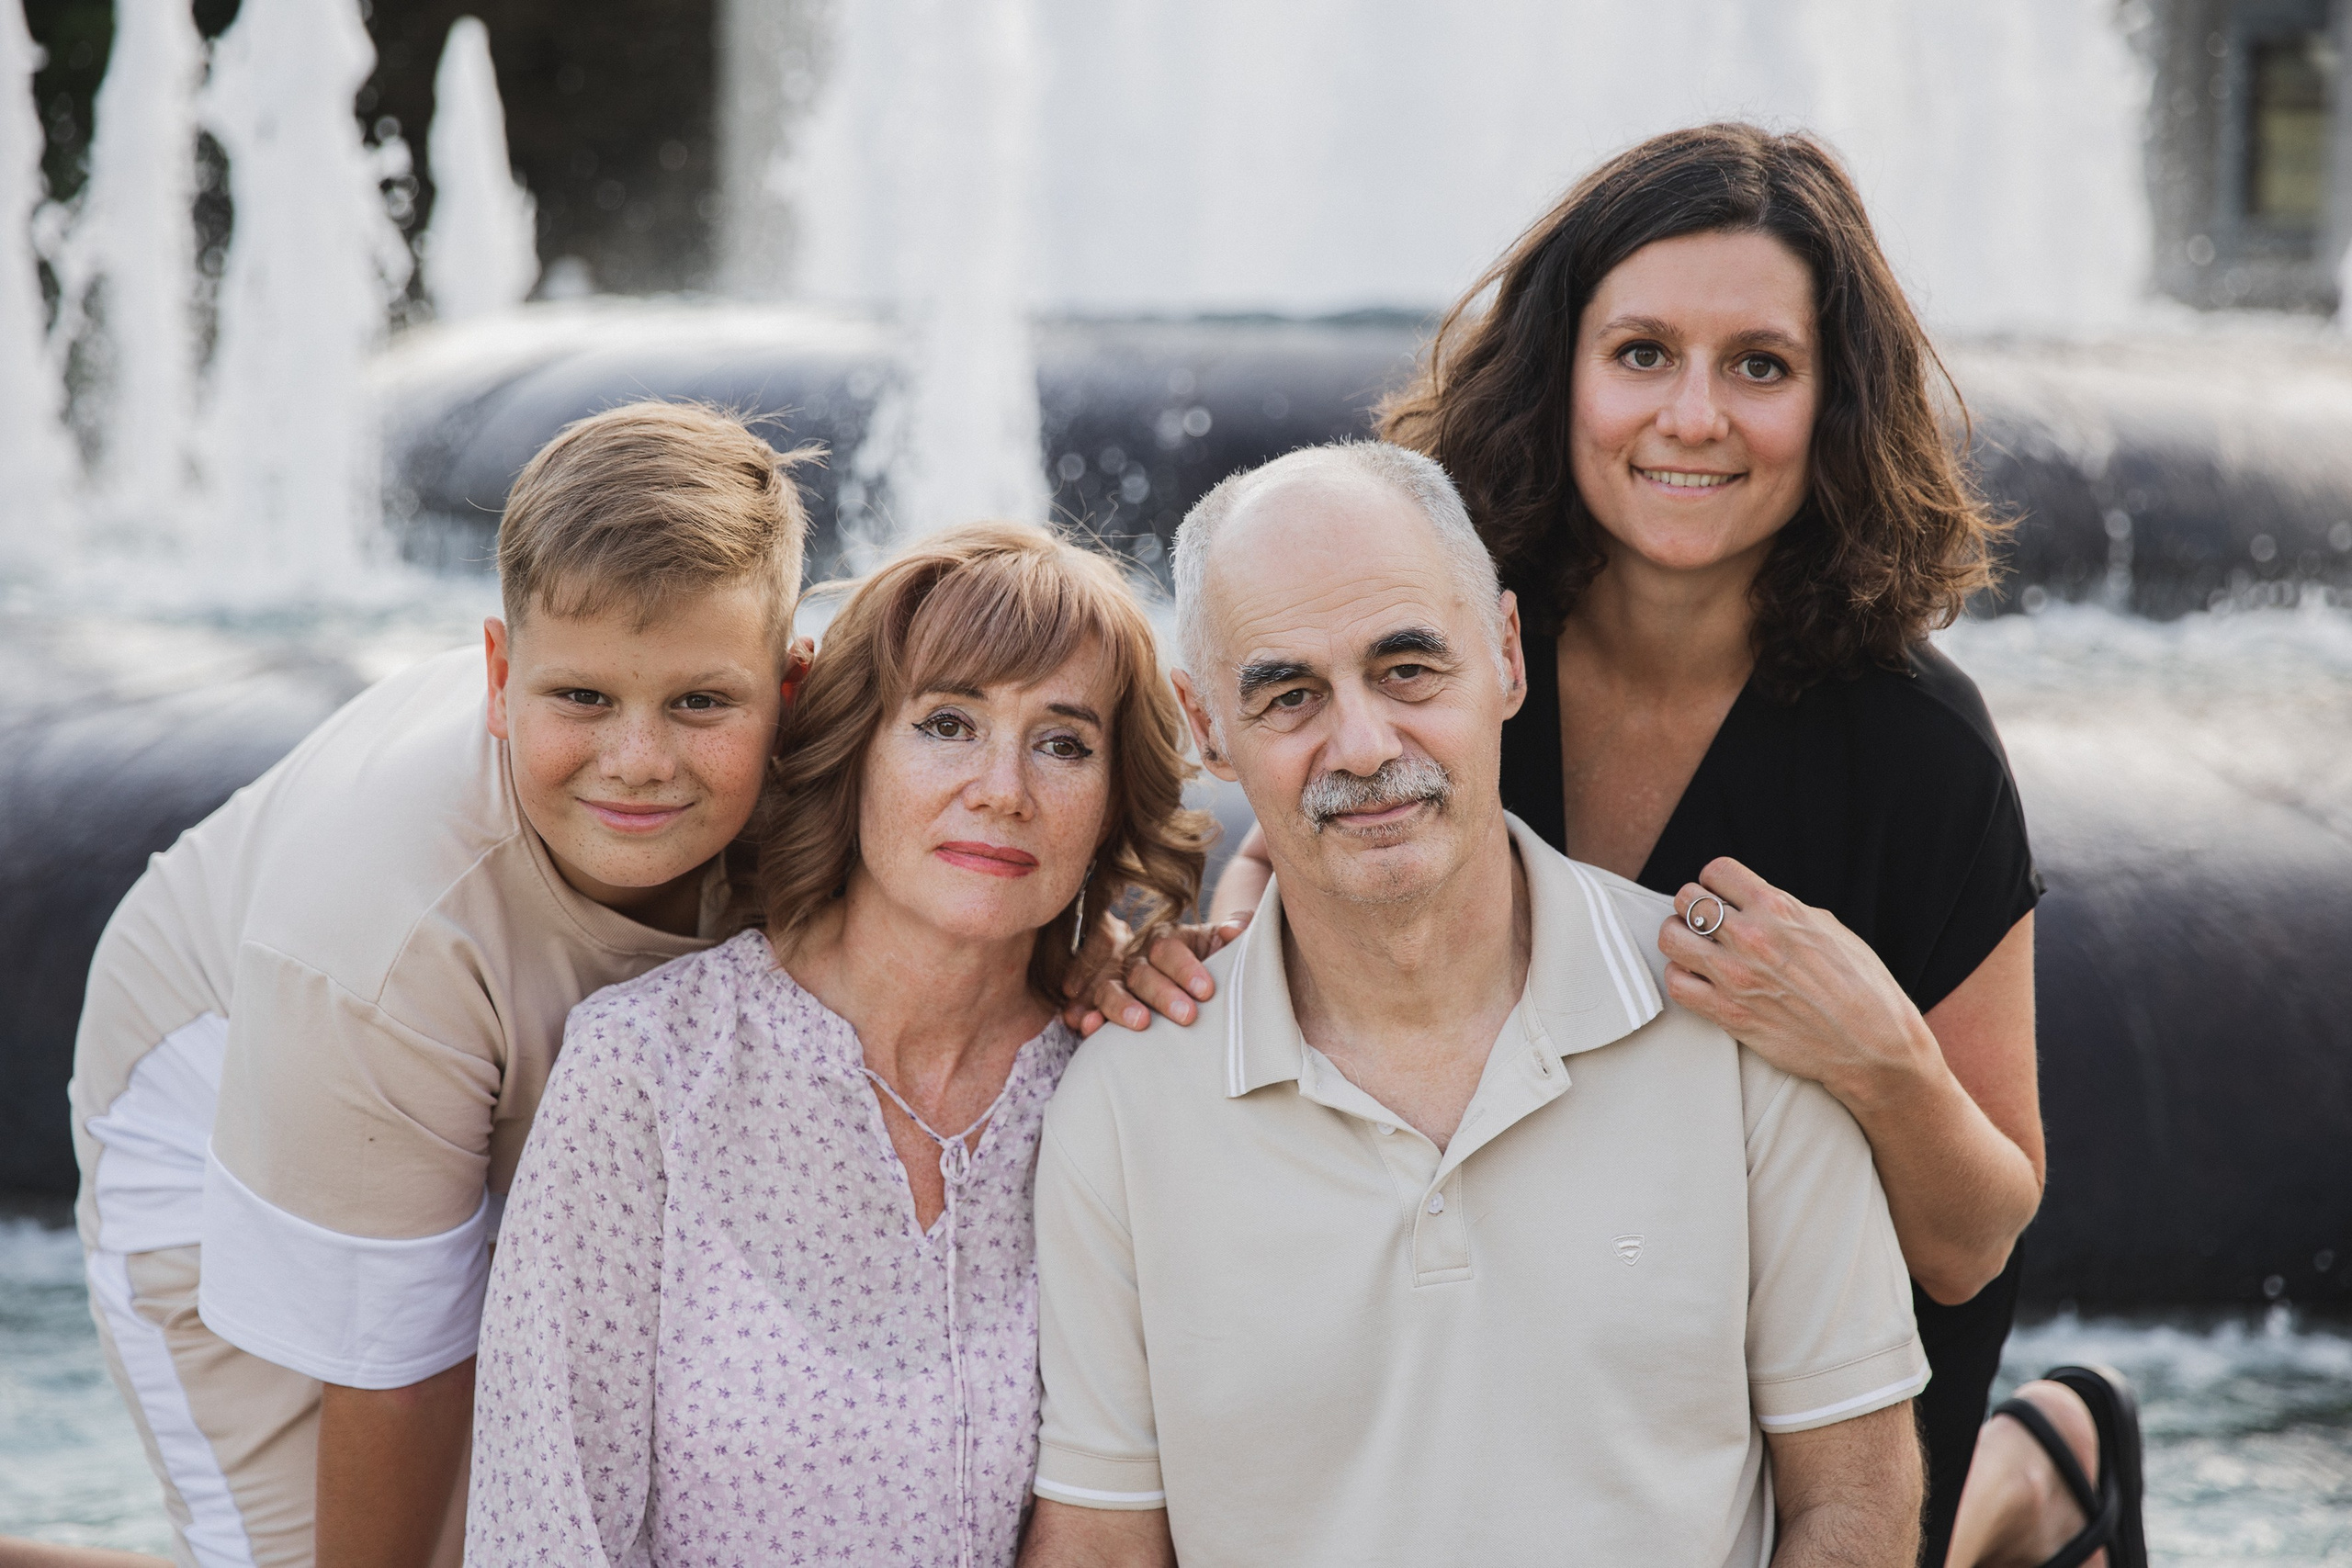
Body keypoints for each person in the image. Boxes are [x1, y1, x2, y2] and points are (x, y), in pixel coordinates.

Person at [1147, 126, 2143, 1568]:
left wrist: (1877, 1052)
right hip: (1580, 1299)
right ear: (1563, 373)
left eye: (1759, 365)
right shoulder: (1454, 647)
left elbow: (1970, 1238)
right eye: (1641, 354)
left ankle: (2037, 1470)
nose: (1693, 416)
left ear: (1832, 400)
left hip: (1841, 1334)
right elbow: (1312, 836)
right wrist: (1222, 912)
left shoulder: (1916, 750)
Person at [1023, 442, 1929, 1568]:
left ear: (1504, 656)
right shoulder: (1124, 1098)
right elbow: (1101, 1548)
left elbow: (1854, 1504)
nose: (1361, 746)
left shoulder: (1736, 1017)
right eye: (1289, 695)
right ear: (1204, 725)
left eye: (1408, 670)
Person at [65, 401, 816, 1568]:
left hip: (500, 1062)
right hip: (230, 1085)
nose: (639, 760)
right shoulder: (378, 935)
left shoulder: (847, 761)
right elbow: (397, 1380)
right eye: (580, 699)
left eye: (701, 703)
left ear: (796, 688)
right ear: (499, 671)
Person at [466, 524, 1209, 1567]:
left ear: (1109, 799)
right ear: (852, 746)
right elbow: (543, 1524)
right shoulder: (648, 1069)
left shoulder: (1128, 1074)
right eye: (948, 723)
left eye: (1063, 742)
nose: (1003, 787)